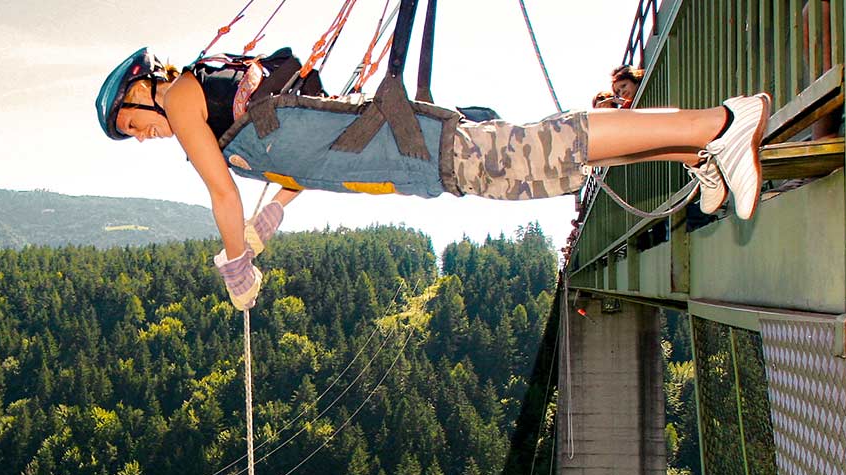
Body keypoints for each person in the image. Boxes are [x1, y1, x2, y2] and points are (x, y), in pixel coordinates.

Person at [96, 48, 767, 309]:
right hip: (410, 155)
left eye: (132, 123)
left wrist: (237, 264)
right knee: (556, 162)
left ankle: (723, 123)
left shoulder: (182, 97)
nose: (143, 134)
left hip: (413, 148)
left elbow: (220, 192)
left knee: (552, 146)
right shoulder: (222, 102)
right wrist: (274, 213)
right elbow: (307, 145)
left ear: (143, 89)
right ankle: (696, 150)